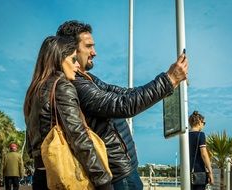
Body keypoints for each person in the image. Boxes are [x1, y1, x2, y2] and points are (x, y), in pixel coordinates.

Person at [56, 20, 188, 190]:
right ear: (71, 49)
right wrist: (169, 80)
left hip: (123, 169)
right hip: (118, 174)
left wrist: (169, 82)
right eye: (88, 46)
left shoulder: (86, 78)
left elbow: (124, 93)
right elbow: (122, 105)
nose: (94, 52)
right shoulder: (75, 83)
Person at [23, 36, 113, 190]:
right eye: (73, 60)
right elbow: (78, 136)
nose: (77, 65)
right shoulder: (62, 86)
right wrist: (103, 180)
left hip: (41, 176)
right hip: (63, 175)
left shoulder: (34, 90)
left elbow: (30, 146)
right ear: (59, 59)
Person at [189, 111, 214, 190]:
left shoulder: (184, 135)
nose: (203, 125)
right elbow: (204, 154)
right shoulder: (201, 134)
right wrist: (210, 172)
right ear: (199, 122)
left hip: (187, 170)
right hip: (198, 170)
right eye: (204, 123)